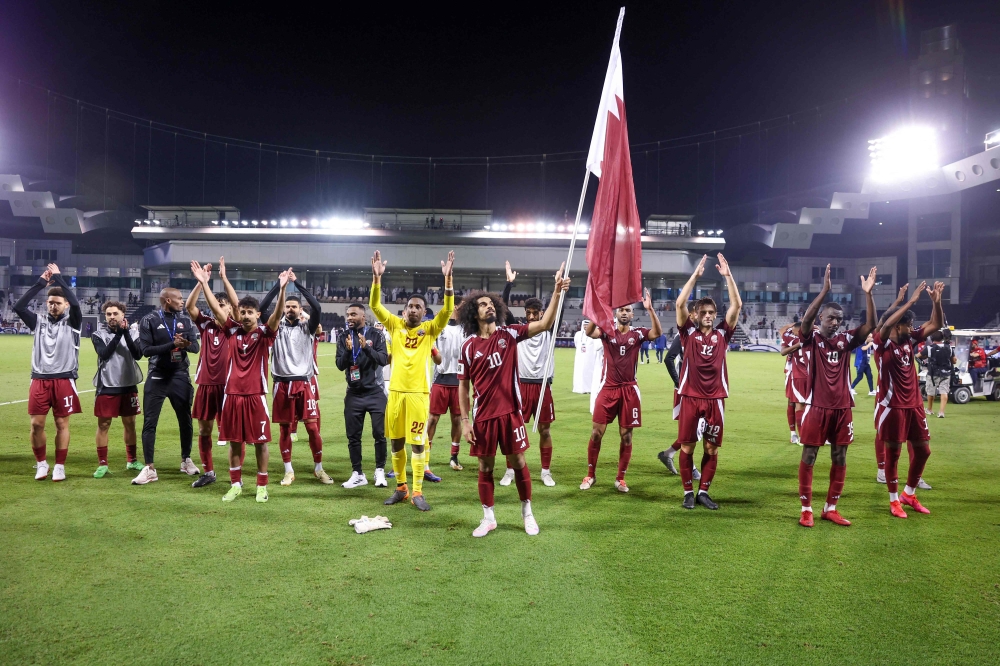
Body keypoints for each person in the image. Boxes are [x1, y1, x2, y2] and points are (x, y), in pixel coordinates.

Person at [457, 264, 570, 537]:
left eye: (490, 303)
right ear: (475, 313)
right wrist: (465, 422)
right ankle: (488, 517)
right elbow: (463, 386)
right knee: (485, 466)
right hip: (483, 416)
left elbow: (544, 324)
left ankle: (527, 513)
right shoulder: (468, 346)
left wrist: (556, 292)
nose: (488, 307)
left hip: (511, 414)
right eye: (482, 305)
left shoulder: (509, 334)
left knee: (519, 463)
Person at [191, 261, 289, 503]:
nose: (245, 316)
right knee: (234, 443)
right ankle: (236, 484)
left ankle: (262, 486)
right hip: (232, 396)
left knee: (260, 442)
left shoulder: (265, 333)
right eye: (242, 312)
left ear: (258, 314)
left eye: (249, 312)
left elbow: (277, 315)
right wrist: (204, 283)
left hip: (256, 396)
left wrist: (283, 288)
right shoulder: (231, 331)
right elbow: (217, 308)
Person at [369, 249, 455, 511]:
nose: (414, 310)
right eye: (410, 306)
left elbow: (448, 309)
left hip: (418, 394)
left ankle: (418, 491)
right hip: (394, 393)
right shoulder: (394, 325)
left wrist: (448, 281)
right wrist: (377, 280)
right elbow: (374, 306)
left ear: (425, 312)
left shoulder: (429, 329)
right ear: (404, 311)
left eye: (419, 307)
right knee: (395, 441)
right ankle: (402, 488)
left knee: (417, 443)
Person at [796, 264, 877, 527]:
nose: (835, 323)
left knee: (840, 456)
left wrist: (868, 294)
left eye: (839, 320)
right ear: (822, 318)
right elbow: (806, 321)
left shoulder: (846, 341)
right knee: (810, 455)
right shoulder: (812, 339)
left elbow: (871, 326)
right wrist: (824, 291)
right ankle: (806, 509)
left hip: (843, 407)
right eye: (831, 318)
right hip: (816, 405)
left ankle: (830, 508)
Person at [673, 254, 742, 510]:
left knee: (712, 449)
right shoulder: (687, 332)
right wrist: (695, 277)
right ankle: (687, 492)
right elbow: (680, 303)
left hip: (715, 399)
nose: (708, 316)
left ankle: (704, 491)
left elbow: (737, 305)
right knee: (688, 447)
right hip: (690, 397)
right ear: (696, 314)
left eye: (712, 312)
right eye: (703, 312)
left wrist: (727, 276)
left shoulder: (724, 333)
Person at [581, 286, 663, 494]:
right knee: (596, 433)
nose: (624, 313)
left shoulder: (638, 334)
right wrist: (600, 313)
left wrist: (651, 309)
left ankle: (621, 478)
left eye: (628, 310)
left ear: (632, 314)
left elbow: (657, 333)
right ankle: (590, 475)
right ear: (616, 314)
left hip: (629, 391)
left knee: (626, 436)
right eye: (621, 310)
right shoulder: (607, 331)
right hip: (607, 389)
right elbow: (589, 332)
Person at [874, 281, 943, 518]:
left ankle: (909, 493)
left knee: (923, 451)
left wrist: (936, 302)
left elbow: (937, 324)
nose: (912, 328)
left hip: (914, 405)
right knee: (894, 454)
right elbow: (886, 325)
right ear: (897, 326)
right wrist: (910, 301)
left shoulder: (909, 340)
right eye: (908, 325)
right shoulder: (881, 342)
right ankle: (894, 501)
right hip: (892, 406)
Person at [257, 276, 330, 486]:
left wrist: (297, 284)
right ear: (282, 308)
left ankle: (319, 468)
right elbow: (261, 309)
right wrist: (278, 288)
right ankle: (288, 470)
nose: (290, 309)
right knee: (285, 429)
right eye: (287, 306)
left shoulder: (307, 327)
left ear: (300, 309)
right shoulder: (274, 328)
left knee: (313, 428)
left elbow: (316, 306)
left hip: (304, 383)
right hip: (281, 384)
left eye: (294, 306)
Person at [13, 264, 82, 481]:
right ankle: (41, 463)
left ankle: (60, 465)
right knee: (36, 425)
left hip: (64, 379)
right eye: (50, 303)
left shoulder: (73, 323)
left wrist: (60, 278)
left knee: (62, 424)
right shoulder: (38, 322)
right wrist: (41, 282)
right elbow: (19, 307)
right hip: (39, 379)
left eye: (58, 303)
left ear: (66, 304)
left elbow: (78, 305)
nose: (53, 306)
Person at [132, 285, 201, 485]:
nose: (182, 301)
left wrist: (187, 345)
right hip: (158, 375)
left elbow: (196, 347)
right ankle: (149, 468)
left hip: (180, 375)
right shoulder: (149, 320)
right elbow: (146, 350)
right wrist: (173, 345)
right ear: (168, 300)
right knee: (150, 422)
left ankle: (186, 460)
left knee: (185, 420)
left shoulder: (185, 320)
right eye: (179, 298)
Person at [498, 261, 558, 487]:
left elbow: (556, 312)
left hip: (543, 386)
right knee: (515, 429)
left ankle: (545, 471)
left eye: (536, 313)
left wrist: (557, 289)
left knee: (544, 429)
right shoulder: (518, 330)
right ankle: (510, 471)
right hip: (520, 385)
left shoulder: (549, 328)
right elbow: (502, 307)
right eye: (529, 313)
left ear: (542, 313)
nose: (532, 316)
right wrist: (509, 284)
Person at [185, 262, 232, 488]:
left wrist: (215, 281)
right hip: (205, 383)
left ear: (231, 309)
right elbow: (189, 306)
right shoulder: (205, 325)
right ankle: (209, 471)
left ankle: (236, 475)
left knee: (233, 432)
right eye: (216, 305)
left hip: (229, 386)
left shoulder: (234, 328)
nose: (217, 308)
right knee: (204, 430)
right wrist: (199, 282)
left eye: (223, 305)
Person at [336, 302, 390, 488]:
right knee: (353, 436)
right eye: (348, 314)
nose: (350, 317)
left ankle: (379, 471)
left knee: (379, 434)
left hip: (375, 392)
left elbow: (383, 359)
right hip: (354, 394)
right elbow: (340, 365)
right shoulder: (343, 336)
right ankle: (358, 473)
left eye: (353, 314)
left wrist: (366, 347)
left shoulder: (376, 335)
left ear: (363, 317)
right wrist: (349, 351)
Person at [91, 301, 143, 478]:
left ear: (123, 314)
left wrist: (125, 333)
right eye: (108, 314)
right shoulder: (98, 334)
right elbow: (104, 354)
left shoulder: (135, 333)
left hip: (129, 384)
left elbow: (138, 354)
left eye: (115, 313)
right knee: (103, 425)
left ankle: (132, 460)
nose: (111, 317)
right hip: (107, 385)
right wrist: (119, 334)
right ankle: (102, 464)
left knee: (130, 424)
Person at [656, 329, 701, 480]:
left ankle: (668, 454)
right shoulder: (682, 335)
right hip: (685, 391)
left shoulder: (707, 335)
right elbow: (669, 358)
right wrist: (679, 383)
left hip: (702, 391)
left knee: (697, 429)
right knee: (689, 430)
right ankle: (691, 467)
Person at [428, 315, 466, 473]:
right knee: (432, 419)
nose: (455, 312)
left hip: (458, 381)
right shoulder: (439, 326)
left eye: (458, 308)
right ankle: (425, 456)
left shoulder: (467, 328)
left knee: (457, 419)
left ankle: (454, 457)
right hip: (440, 379)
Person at [779, 322, 807, 445]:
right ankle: (794, 434)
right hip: (793, 371)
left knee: (807, 403)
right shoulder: (792, 336)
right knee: (793, 401)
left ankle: (806, 433)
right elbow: (782, 332)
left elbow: (782, 331)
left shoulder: (790, 336)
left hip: (804, 372)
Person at [922, 330, 956, 418]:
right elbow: (954, 361)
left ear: (932, 338)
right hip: (945, 373)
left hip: (932, 373)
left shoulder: (930, 348)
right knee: (944, 392)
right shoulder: (949, 347)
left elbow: (918, 356)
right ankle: (941, 412)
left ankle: (929, 409)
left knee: (930, 392)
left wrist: (923, 364)